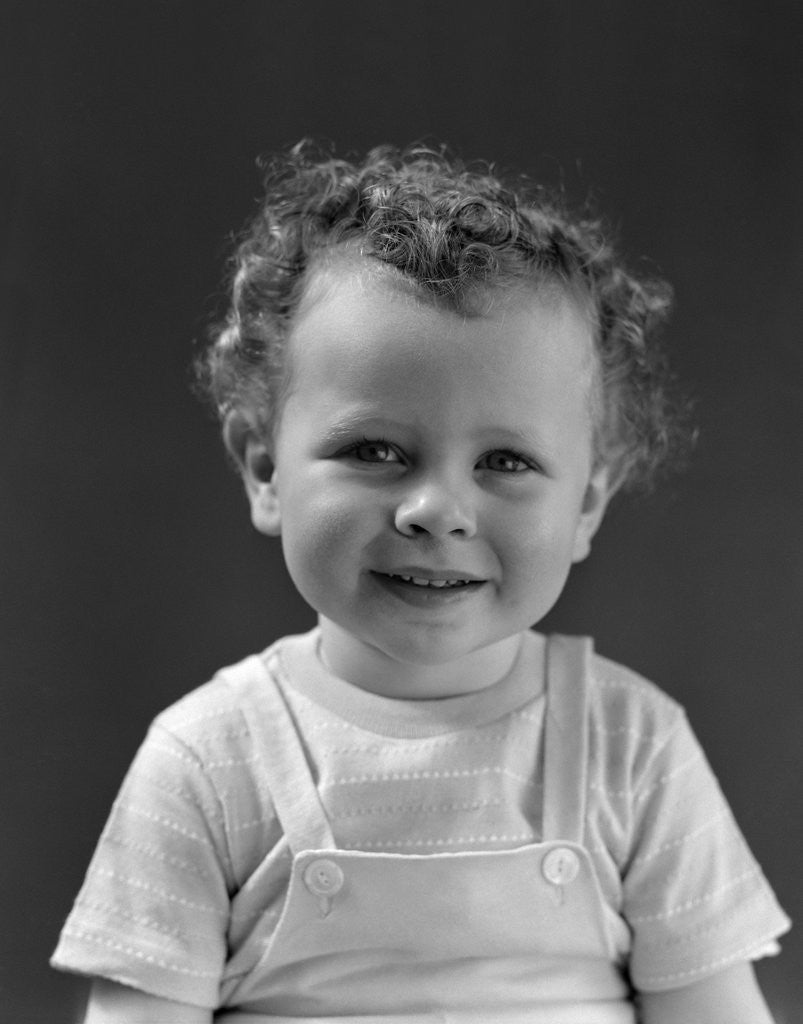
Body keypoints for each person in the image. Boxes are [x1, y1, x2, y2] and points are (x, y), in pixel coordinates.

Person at [52, 142, 790, 1023]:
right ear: (262, 469)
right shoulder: (208, 759)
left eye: (506, 461)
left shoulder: (632, 747)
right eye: (374, 451)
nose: (438, 509)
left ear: (587, 503)